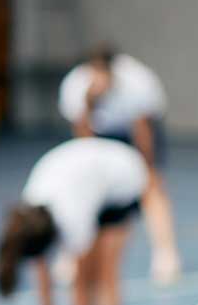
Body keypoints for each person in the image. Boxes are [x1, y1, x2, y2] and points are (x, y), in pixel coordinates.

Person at [0, 137, 147, 305]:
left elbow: (82, 283)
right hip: (85, 175)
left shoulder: (73, 218)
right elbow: (42, 278)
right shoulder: (29, 212)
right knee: (90, 273)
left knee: (105, 272)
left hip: (122, 176)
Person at [59, 43, 182, 285]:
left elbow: (143, 132)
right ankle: (72, 256)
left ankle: (166, 254)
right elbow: (82, 139)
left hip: (133, 132)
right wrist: (89, 102)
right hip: (99, 135)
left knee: (151, 188)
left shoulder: (137, 83)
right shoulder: (75, 86)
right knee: (84, 193)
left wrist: (147, 169)